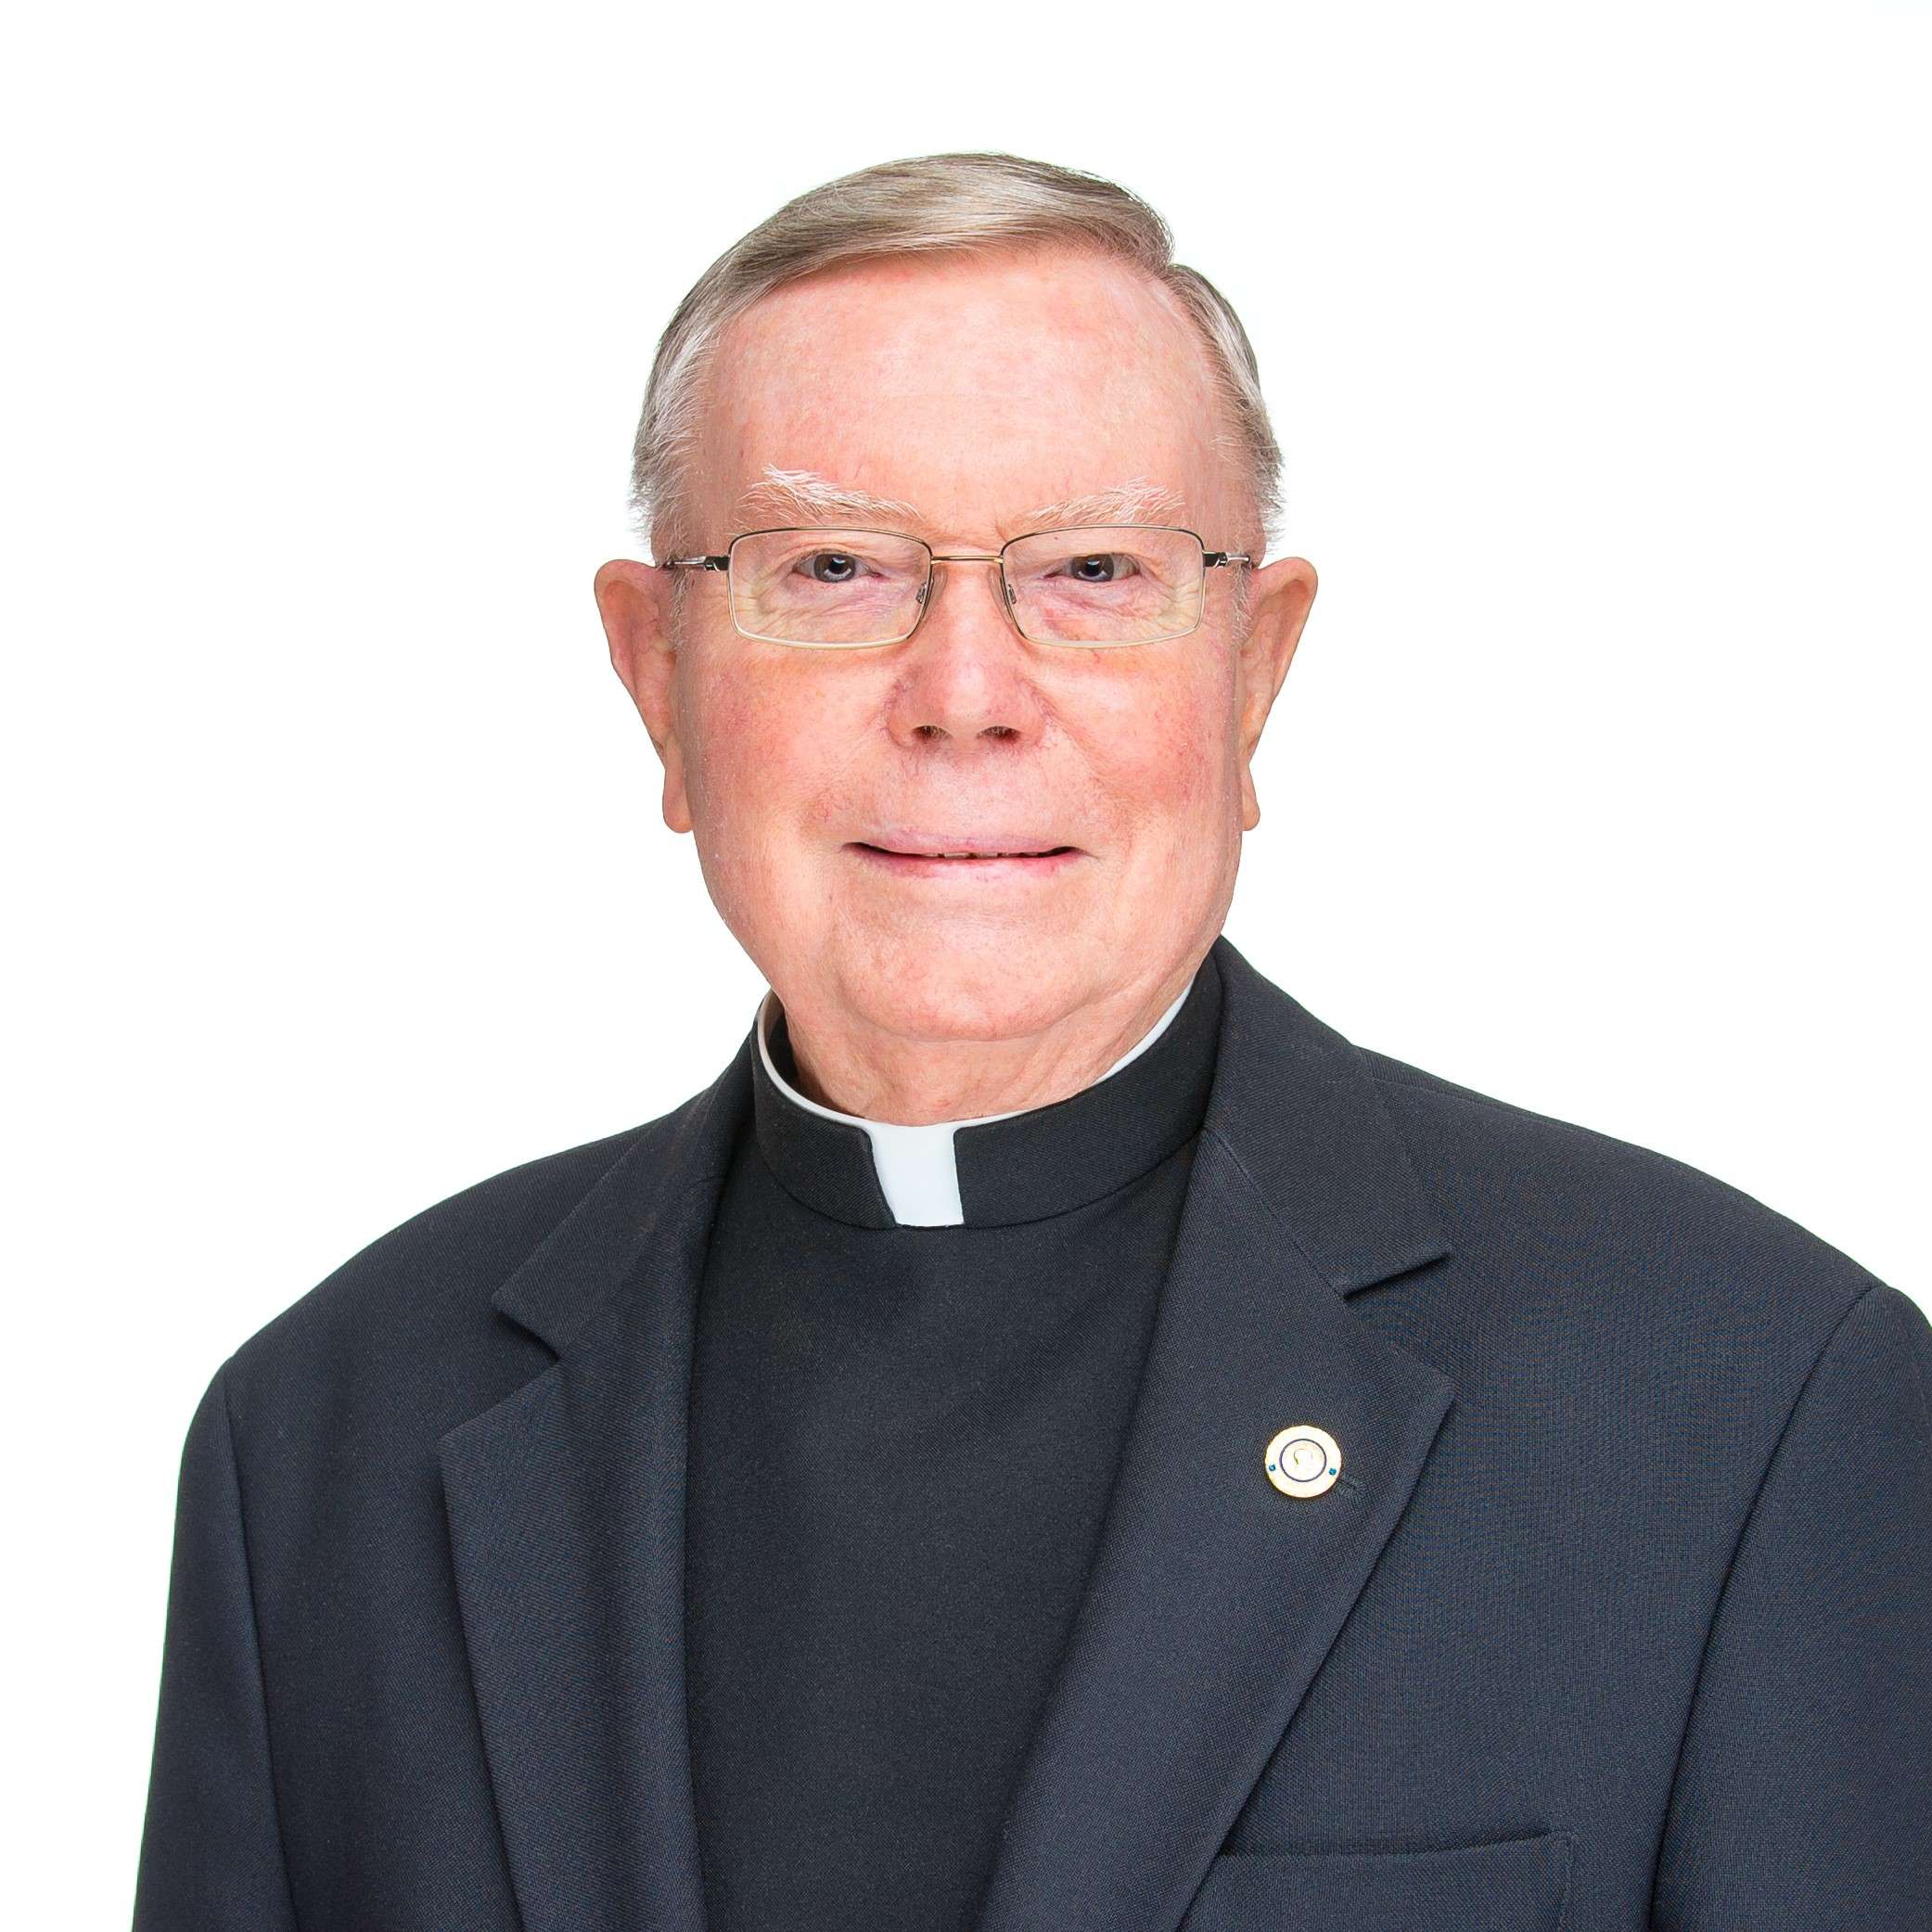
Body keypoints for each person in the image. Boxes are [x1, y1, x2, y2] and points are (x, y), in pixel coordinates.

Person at [133, 151, 1931, 1932]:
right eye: (833, 567)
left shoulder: (1748, 1405)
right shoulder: (327, 1439)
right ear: (654, 676)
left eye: (1091, 570)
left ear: (1254, 671)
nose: (966, 695)